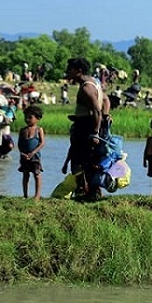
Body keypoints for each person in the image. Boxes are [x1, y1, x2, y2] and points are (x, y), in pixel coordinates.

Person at [65, 57, 109, 202]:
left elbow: (96, 109)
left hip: (87, 127)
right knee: (90, 160)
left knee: (80, 161)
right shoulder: (94, 81)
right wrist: (106, 115)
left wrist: (96, 132)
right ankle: (91, 192)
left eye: (70, 68)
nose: (67, 71)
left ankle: (87, 192)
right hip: (88, 125)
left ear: (78, 71)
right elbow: (106, 100)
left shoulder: (86, 87)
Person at [18, 105, 46, 200]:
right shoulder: (23, 130)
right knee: (25, 174)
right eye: (26, 117)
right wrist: (22, 153)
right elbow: (20, 143)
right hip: (24, 156)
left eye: (30, 117)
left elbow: (42, 143)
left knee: (36, 174)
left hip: (35, 156)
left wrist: (33, 152)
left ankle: (37, 196)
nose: (27, 119)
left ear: (37, 118)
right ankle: (25, 195)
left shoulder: (39, 130)